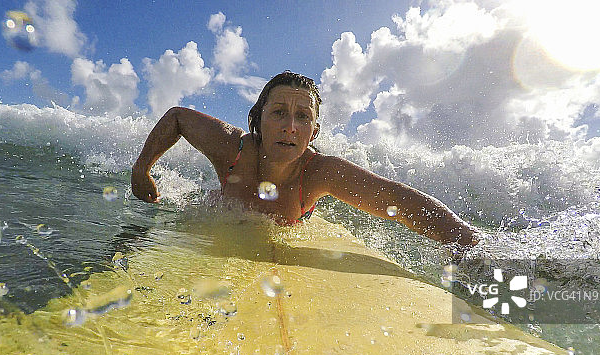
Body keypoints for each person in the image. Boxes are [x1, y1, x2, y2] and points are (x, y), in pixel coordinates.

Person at [132, 71, 480, 247]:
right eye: (279, 113)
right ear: (258, 119)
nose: (290, 127)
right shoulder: (234, 148)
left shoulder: (319, 173)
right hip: (218, 213)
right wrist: (141, 170)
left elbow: (396, 198)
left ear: (313, 132)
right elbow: (177, 118)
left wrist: (465, 243)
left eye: (302, 117)